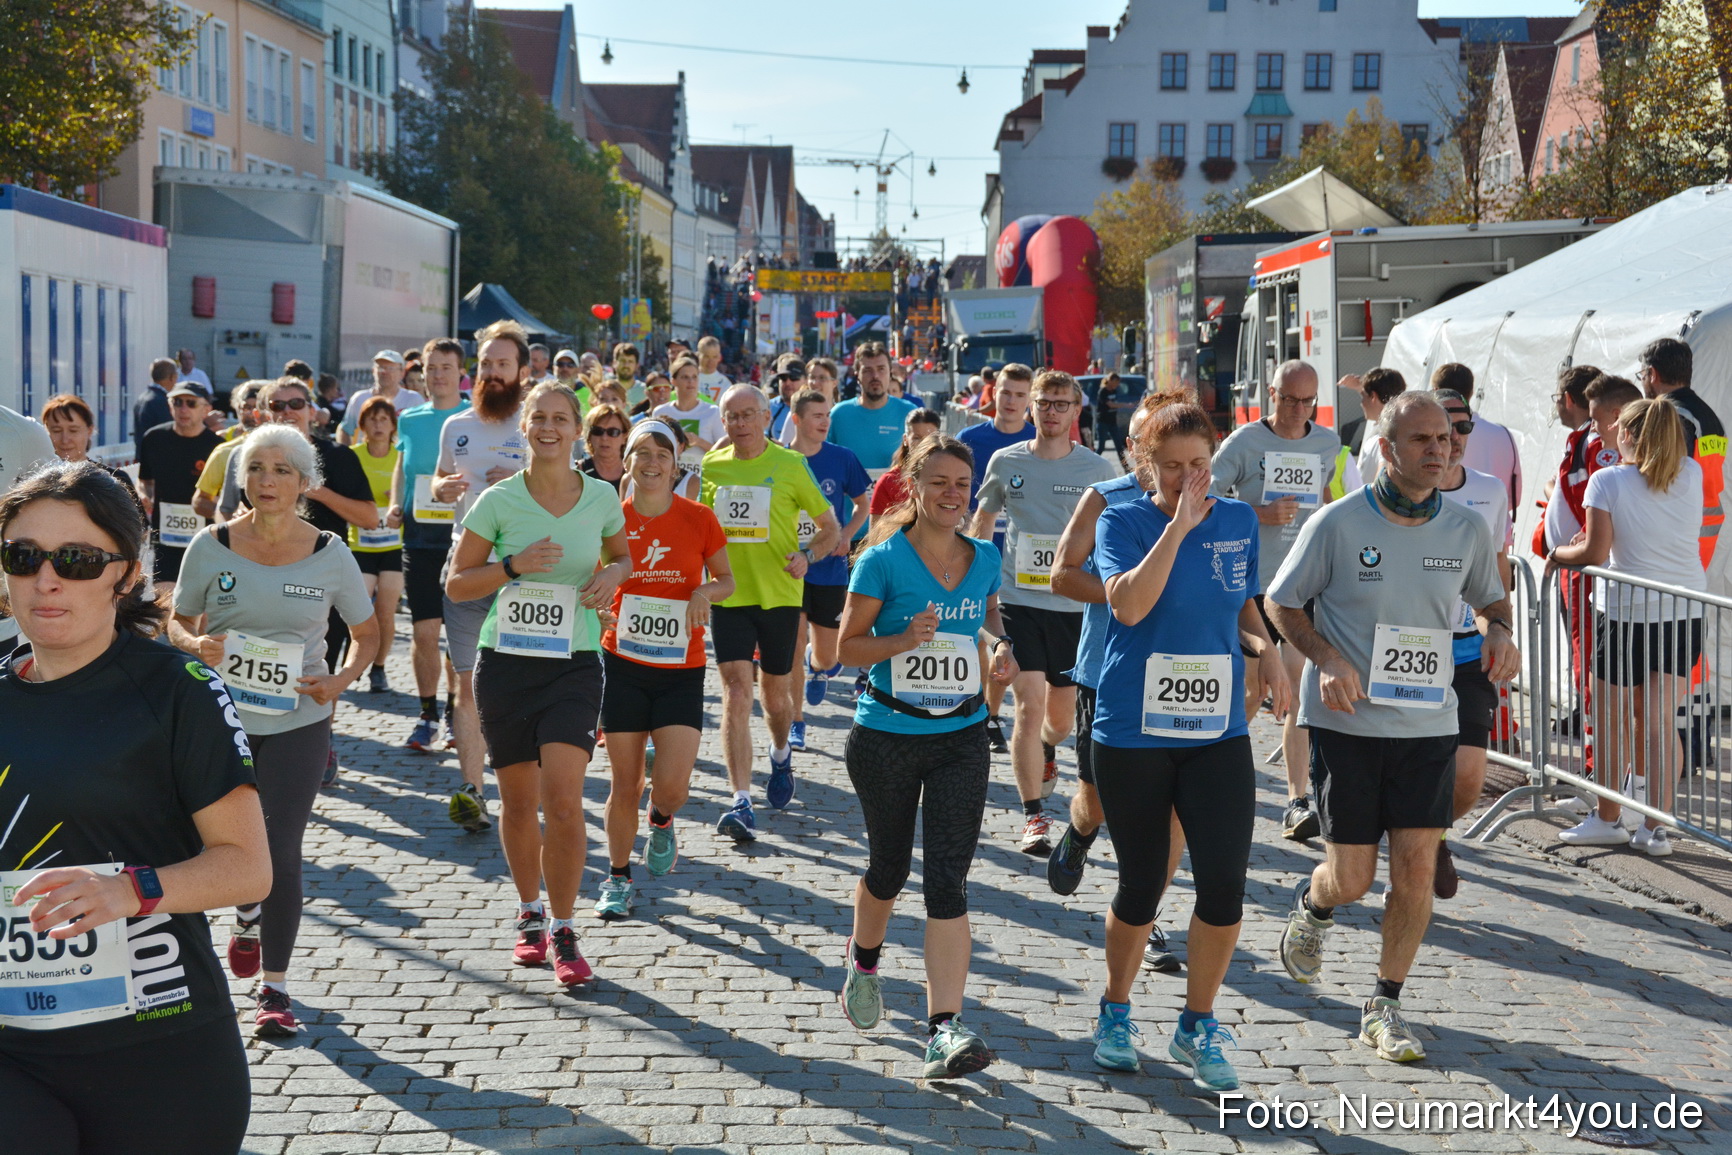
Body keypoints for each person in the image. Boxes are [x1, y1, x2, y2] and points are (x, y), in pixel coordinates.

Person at [0, 461, 269, 1154]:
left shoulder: (179, 690)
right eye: (23, 556)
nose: (46, 579)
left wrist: (128, 890)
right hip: (13, 1053)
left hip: (159, 1048)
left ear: (125, 574)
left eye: (79, 560)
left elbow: (246, 867)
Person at [1268, 391, 1516, 1064]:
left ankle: (1385, 1003)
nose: (1440, 450)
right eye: (1422, 441)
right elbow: (1282, 601)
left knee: (1413, 868)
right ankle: (1314, 905)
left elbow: (1494, 600)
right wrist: (1325, 659)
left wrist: (1501, 631)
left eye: (1446, 438)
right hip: (1348, 724)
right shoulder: (1337, 524)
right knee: (1350, 877)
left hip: (1427, 723)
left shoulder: (1465, 529)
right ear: (1387, 447)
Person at [1085, 397, 1289, 1090]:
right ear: (1146, 465)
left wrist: (1269, 649)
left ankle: (1197, 1021)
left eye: (1198, 464)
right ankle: (1116, 1006)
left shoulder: (1235, 520)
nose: (1187, 478)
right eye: (1171, 467)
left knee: (1225, 883)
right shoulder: (1123, 520)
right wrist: (1176, 527)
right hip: (1133, 729)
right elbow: (1131, 604)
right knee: (1143, 882)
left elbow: (1240, 602)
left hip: (1215, 729)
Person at [170, 423, 380, 1036]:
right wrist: (197, 643)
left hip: (299, 721)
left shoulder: (330, 553)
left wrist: (338, 684)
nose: (268, 480)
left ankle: (275, 988)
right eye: (257, 468)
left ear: (304, 483)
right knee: (216, 846)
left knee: (281, 851)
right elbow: (176, 623)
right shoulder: (210, 545)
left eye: (282, 470)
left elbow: (368, 637)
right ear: (242, 478)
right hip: (220, 719)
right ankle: (245, 913)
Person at [835, 435, 1017, 1080]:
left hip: (962, 737)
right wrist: (900, 639)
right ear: (914, 488)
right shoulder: (882, 561)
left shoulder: (986, 555)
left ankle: (945, 1028)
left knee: (947, 878)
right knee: (888, 866)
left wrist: (998, 646)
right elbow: (844, 650)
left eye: (961, 485)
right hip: (886, 735)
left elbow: (989, 616)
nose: (952, 495)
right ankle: (863, 958)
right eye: (938, 483)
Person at [446, 381, 631, 985]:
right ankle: (529, 912)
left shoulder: (602, 497)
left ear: (577, 429)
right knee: (520, 803)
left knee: (564, 800)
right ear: (524, 428)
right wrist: (512, 567)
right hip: (506, 663)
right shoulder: (498, 501)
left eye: (561, 419)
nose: (549, 428)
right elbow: (457, 583)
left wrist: (610, 579)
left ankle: (565, 928)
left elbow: (622, 556)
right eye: (539, 419)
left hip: (574, 662)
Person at [1046, 399, 1186, 972]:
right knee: (1099, 802)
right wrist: (1125, 592)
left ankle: (1144, 914)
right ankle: (1079, 831)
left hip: (1181, 677)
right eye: (1138, 443)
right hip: (1109, 673)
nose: (1148, 456)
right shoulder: (1107, 498)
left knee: (1171, 814)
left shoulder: (1207, 502)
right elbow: (1060, 576)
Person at [969, 369, 1118, 854]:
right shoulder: (1005, 460)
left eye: (1061, 404)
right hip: (1020, 602)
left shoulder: (1097, 470)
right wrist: (968, 578)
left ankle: (1049, 749)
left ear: (1076, 411)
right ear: (1030, 408)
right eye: (1043, 403)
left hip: (1076, 607)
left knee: (1058, 718)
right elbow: (983, 520)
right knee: (1028, 707)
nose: (1051, 412)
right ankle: (1034, 816)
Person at [1552, 396, 1704, 858]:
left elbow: (1595, 554)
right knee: (1660, 721)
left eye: (1619, 427)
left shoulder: (1608, 480)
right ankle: (1656, 829)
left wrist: (1558, 553)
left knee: (1614, 720)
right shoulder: (1691, 474)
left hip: (1626, 615)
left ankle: (1608, 817)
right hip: (1684, 610)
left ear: (1630, 434)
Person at [596, 420, 735, 917]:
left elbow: (727, 580)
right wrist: (600, 606)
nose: (651, 462)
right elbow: (594, 577)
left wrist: (702, 592)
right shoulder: (609, 516)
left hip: (681, 667)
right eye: (641, 453)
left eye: (662, 454)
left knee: (673, 787)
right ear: (626, 461)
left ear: (676, 466)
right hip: (624, 663)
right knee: (623, 781)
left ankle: (661, 818)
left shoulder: (698, 517)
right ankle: (616, 878)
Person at [699, 385, 841, 838]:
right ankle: (740, 800)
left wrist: (808, 557)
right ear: (723, 423)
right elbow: (703, 530)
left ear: (765, 418)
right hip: (731, 597)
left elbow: (830, 528)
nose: (739, 424)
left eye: (748, 415)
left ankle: (781, 755)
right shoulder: (711, 466)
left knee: (775, 699)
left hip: (780, 596)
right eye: (731, 417)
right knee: (737, 693)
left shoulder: (790, 464)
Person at [1209, 359, 1340, 841]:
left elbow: (1327, 494)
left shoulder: (1327, 443)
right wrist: (1257, 513)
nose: (1297, 410)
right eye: (1288, 399)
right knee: (1253, 692)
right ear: (1271, 394)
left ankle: (1296, 800)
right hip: (1250, 586)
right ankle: (1211, 764)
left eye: (1307, 401)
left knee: (1300, 693)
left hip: (1303, 586)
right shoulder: (1243, 443)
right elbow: (1206, 495)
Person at [432, 322, 532, 831]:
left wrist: (518, 484)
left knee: (520, 686)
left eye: (502, 364)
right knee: (467, 686)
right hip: (467, 570)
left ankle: (522, 780)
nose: (492, 372)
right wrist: (444, 490)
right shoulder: (456, 426)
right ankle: (473, 791)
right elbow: (438, 478)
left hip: (526, 578)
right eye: (486, 363)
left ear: (522, 370)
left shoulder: (536, 426)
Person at [1431, 389, 1513, 896]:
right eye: (1441, 431)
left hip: (1466, 649)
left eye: (1462, 429)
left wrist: (1501, 632)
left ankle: (1432, 831)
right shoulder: (1397, 489)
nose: (1454, 440)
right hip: (1409, 653)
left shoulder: (1489, 491)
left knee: (1468, 778)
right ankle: (1415, 835)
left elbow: (1498, 572)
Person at [387, 339, 471, 764]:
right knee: (424, 631)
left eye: (445, 367)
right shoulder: (410, 417)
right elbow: (403, 466)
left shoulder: (473, 417)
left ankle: (459, 716)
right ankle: (427, 715)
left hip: (465, 536)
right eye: (430, 368)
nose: (437, 375)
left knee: (457, 633)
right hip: (419, 534)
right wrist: (393, 503)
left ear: (461, 372)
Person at [786, 389, 872, 747]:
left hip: (829, 568)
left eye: (827, 416)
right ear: (797, 420)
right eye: (817, 416)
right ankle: (796, 721)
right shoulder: (779, 458)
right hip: (788, 567)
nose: (825, 422)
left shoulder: (841, 458)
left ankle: (818, 666)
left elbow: (862, 505)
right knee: (791, 642)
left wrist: (846, 536)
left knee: (826, 653)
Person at [958, 362, 1036, 752]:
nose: (1011, 401)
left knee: (1003, 641)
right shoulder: (970, 438)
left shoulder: (1039, 441)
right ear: (994, 393)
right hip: (975, 553)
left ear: (1030, 400)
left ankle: (992, 715)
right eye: (1006, 393)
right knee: (978, 636)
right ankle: (978, 712)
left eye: (1021, 395)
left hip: (1023, 564)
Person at [1638, 336, 1726, 568]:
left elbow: (1665, 477)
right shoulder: (1709, 416)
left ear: (1653, 374)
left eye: (1642, 376)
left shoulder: (1674, 417)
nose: (1643, 383)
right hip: (1703, 527)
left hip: (1677, 528)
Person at [137, 381, 222, 595]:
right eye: (177, 402)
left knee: (200, 604)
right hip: (166, 537)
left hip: (205, 538)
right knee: (164, 601)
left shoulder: (216, 448)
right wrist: (144, 496)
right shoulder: (154, 439)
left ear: (206, 409)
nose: (183, 409)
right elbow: (145, 481)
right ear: (169, 406)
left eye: (191, 403)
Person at [348, 396, 405, 694]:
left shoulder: (400, 457)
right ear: (363, 425)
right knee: (358, 608)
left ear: (393, 425)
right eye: (373, 419)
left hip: (393, 546)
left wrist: (397, 498)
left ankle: (379, 669)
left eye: (385, 419)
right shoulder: (352, 455)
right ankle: (354, 663)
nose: (379, 425)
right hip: (361, 545)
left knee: (386, 609)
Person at [1431, 363, 1520, 519]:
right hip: (1492, 528)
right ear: (1472, 392)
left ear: (1435, 392)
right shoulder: (1503, 434)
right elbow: (1514, 497)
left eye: (1464, 427)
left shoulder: (1425, 438)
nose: (1454, 436)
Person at [829, 341, 919, 478]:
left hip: (896, 499)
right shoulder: (839, 414)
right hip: (849, 500)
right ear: (857, 375)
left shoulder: (909, 412)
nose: (875, 376)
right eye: (867, 370)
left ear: (890, 373)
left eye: (881, 369)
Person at [193, 381, 265, 523]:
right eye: (246, 407)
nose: (251, 414)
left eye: (257, 408)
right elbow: (200, 501)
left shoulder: (288, 450)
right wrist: (230, 514)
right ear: (238, 408)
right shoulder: (226, 451)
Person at [339, 350, 425, 446]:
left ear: (402, 373)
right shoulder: (359, 399)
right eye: (380, 368)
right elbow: (345, 430)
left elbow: (423, 434)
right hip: (365, 458)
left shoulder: (413, 400)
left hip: (401, 458)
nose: (385, 372)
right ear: (373, 371)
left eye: (390, 368)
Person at [870, 409, 943, 518]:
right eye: (916, 438)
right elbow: (877, 533)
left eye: (930, 438)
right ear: (906, 440)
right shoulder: (888, 482)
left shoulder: (949, 479)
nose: (923, 444)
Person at [653, 356, 723, 466]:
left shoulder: (712, 412)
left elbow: (724, 454)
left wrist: (699, 442)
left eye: (694, 377)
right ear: (673, 381)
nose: (691, 381)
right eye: (685, 377)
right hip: (670, 479)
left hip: (702, 478)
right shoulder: (660, 412)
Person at [1342, 368, 1407, 484]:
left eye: (1363, 396)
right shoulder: (1397, 427)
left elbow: (1384, 472)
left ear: (1373, 397)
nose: (1361, 403)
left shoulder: (1385, 435)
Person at [580, 404, 631, 493]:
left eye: (613, 432)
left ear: (624, 437)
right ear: (589, 436)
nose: (604, 437)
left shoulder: (634, 472)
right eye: (597, 431)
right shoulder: (579, 473)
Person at [133, 357, 177, 454]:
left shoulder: (142, 398)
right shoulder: (161, 401)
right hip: (158, 457)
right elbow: (168, 433)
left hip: (143, 455)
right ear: (172, 377)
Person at [1093, 372, 1129, 467]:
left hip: (1112, 422)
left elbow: (1114, 403)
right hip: (1103, 422)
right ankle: (1092, 464)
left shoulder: (1114, 391)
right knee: (1101, 447)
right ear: (1111, 381)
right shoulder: (1103, 392)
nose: (1117, 385)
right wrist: (1125, 405)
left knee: (1119, 447)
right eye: (1116, 382)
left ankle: (1126, 467)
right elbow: (1111, 404)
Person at [553, 349, 594, 414]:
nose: (565, 368)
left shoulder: (589, 396)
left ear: (578, 370)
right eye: (560, 364)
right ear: (554, 368)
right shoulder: (545, 393)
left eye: (570, 365)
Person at [697, 335, 731, 400]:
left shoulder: (725, 384)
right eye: (706, 356)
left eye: (714, 357)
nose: (710, 361)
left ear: (719, 357)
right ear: (698, 355)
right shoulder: (688, 380)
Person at [611, 341, 644, 408]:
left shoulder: (645, 391)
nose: (626, 365)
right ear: (614, 363)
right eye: (623, 361)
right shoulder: (606, 391)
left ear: (637, 365)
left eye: (630, 361)